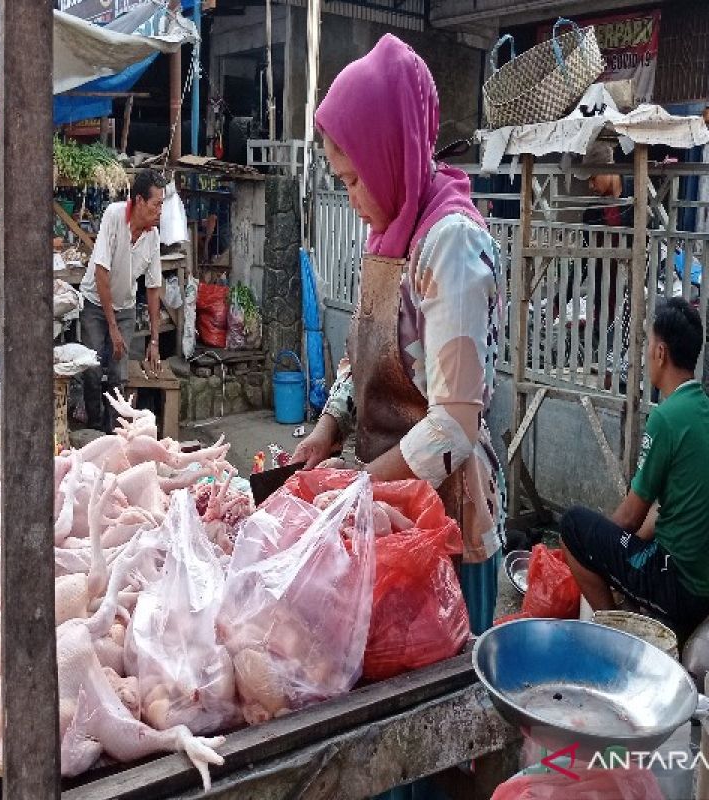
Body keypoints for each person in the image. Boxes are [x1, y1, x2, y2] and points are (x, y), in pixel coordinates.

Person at [293, 35, 506, 637]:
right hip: (389, 502)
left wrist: (357, 483)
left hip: (447, 519)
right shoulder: (386, 234)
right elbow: (360, 356)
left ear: (391, 151)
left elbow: (454, 428)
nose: (351, 197)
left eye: (355, 179)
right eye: (342, 180)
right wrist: (330, 426)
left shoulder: (451, 245)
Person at [560, 297, 709, 637]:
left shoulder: (666, 419)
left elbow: (628, 518)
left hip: (683, 589)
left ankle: (612, 633)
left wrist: (600, 550)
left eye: (647, 347)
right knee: (622, 541)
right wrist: (621, 548)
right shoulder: (705, 410)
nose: (645, 357)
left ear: (660, 353)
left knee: (573, 526)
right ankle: (631, 610)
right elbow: (661, 507)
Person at [79, 168, 167, 431]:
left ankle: (115, 435)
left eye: (162, 204)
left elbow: (153, 288)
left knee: (119, 376)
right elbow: (100, 272)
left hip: (126, 307)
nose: (160, 210)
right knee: (93, 369)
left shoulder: (153, 237)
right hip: (95, 302)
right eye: (156, 204)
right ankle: (94, 431)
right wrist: (112, 328)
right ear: (139, 201)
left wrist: (154, 340)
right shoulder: (114, 216)